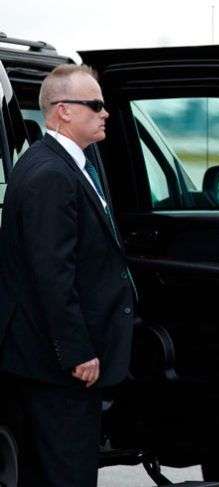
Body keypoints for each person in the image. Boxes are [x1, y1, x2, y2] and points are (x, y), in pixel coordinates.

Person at [0, 64, 136, 487]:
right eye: (94, 105)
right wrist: (76, 351)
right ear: (62, 111)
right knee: (67, 472)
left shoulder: (65, 163)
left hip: (53, 360)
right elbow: (52, 274)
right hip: (58, 365)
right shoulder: (51, 175)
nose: (105, 112)